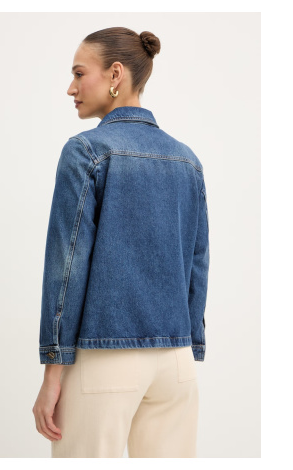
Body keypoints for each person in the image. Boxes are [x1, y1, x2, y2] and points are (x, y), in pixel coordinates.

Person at [32, 27, 210, 458]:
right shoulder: (187, 160)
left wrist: (53, 369)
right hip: (176, 363)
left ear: (115, 74)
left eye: (79, 73)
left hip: (105, 360)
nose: (71, 88)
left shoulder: (86, 151)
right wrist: (190, 340)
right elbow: (197, 261)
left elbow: (66, 265)